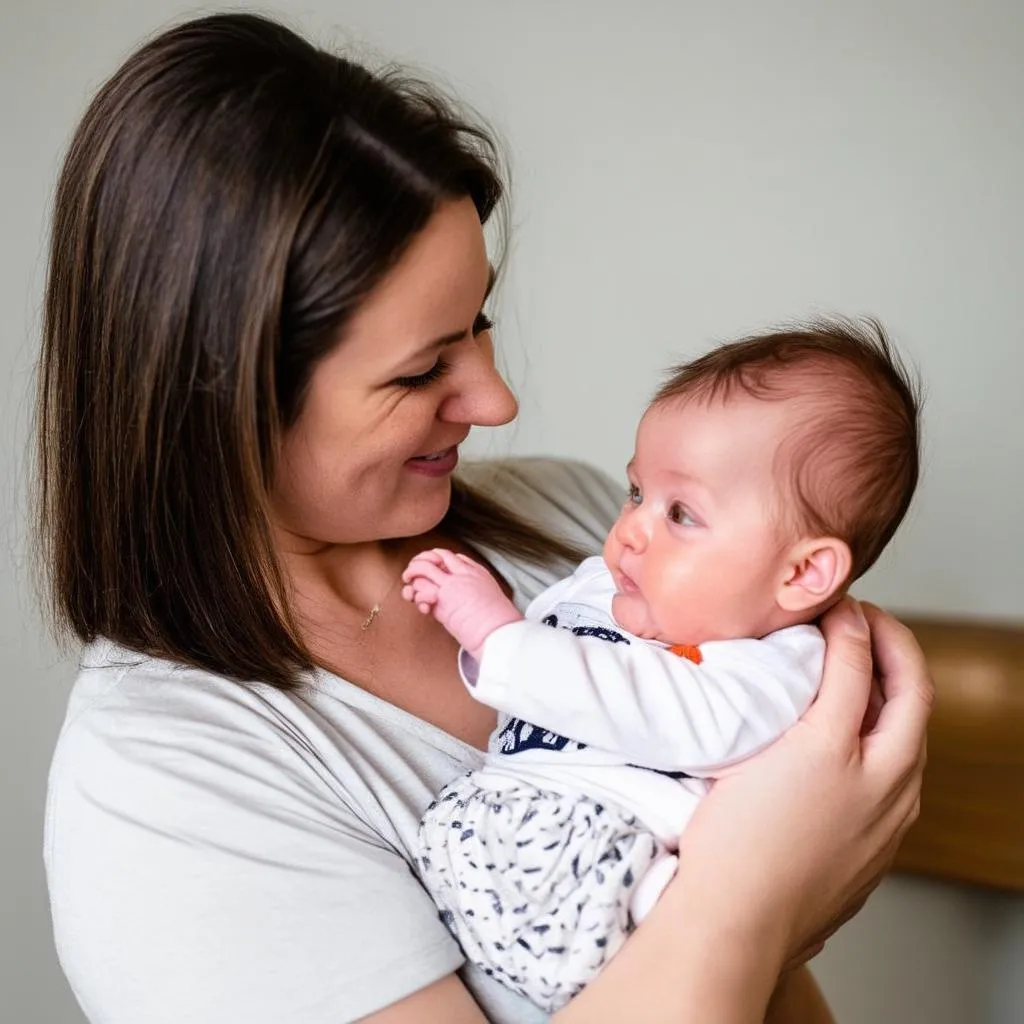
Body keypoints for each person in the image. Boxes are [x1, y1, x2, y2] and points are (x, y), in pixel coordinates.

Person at [36, 12, 932, 1024]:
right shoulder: (168, 790)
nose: (495, 401)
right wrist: (755, 893)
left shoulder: (579, 526)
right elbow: (751, 902)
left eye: (481, 324)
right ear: (218, 394)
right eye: (423, 368)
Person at [402, 321, 921, 1010]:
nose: (632, 529)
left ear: (802, 574)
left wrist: (497, 635)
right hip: (487, 826)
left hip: (607, 864)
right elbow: (536, 680)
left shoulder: (777, 668)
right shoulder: (605, 582)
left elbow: (677, 718)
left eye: (682, 514)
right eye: (637, 491)